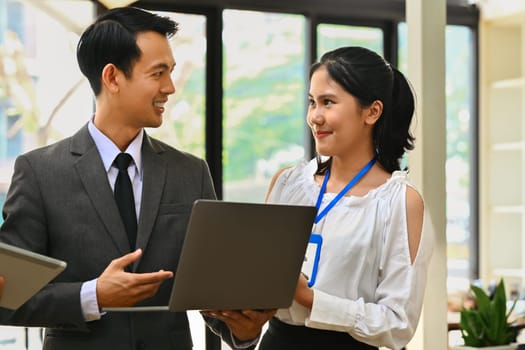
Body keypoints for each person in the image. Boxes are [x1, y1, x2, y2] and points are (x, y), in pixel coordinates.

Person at [0, 6, 272, 350]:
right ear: (112, 77)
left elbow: (210, 293)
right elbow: (8, 297)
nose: (171, 87)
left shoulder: (190, 172)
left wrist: (243, 330)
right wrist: (93, 295)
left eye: (170, 72)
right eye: (158, 73)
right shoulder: (39, 172)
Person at [258, 46, 434, 350]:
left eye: (328, 102)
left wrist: (309, 298)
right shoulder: (287, 183)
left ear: (372, 111)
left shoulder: (398, 202)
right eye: (312, 102)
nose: (315, 116)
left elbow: (398, 324)